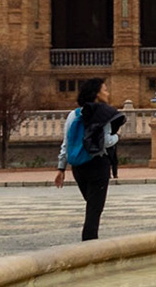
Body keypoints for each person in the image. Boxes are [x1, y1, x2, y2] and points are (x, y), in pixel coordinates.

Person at [54, 78, 126, 240]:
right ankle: (89, 247)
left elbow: (66, 143)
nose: (107, 93)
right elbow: (106, 142)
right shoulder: (103, 113)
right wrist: (118, 137)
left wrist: (61, 168)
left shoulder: (73, 115)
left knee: (92, 206)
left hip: (78, 168)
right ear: (97, 94)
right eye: (105, 90)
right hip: (97, 165)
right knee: (94, 211)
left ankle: (90, 243)